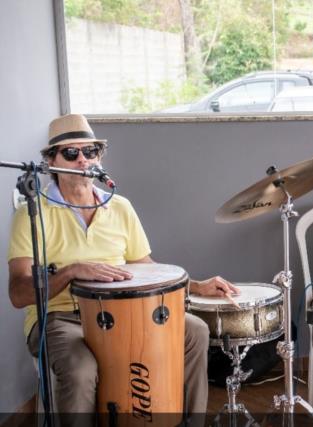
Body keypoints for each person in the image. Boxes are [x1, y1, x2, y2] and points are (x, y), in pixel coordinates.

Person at [7, 114, 239, 425]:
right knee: (80, 368)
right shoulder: (31, 214)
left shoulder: (120, 207)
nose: (82, 160)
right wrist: (71, 271)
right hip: (60, 318)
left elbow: (146, 268)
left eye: (90, 151)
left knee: (194, 330)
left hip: (126, 313)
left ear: (99, 157)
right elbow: (18, 294)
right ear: (51, 162)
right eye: (71, 153)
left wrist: (197, 286)